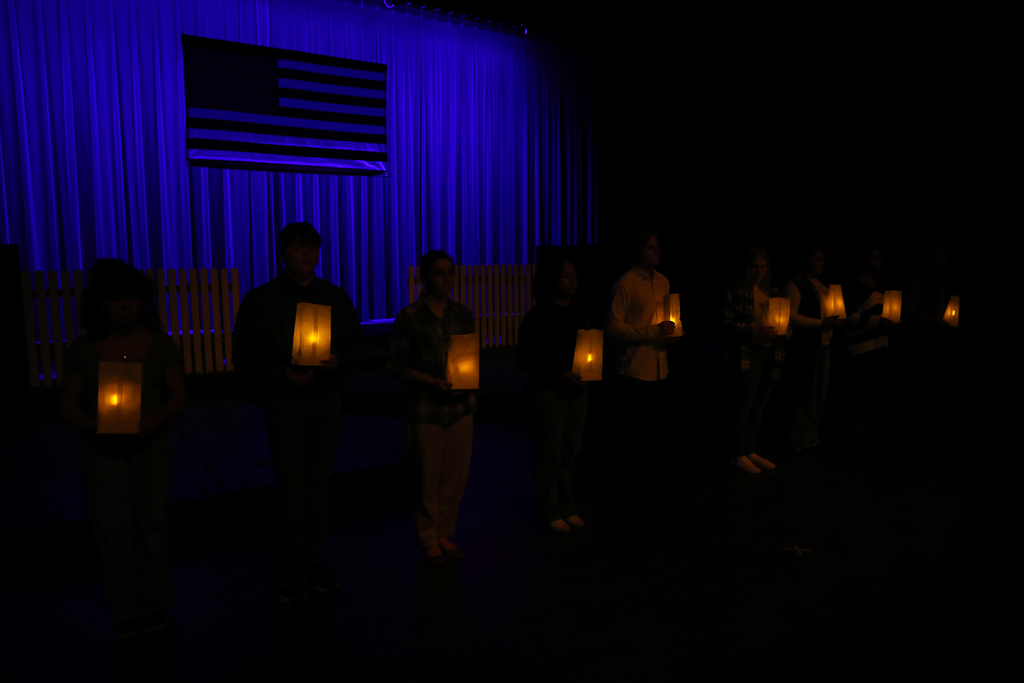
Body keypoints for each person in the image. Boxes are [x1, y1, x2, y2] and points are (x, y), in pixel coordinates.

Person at [232, 221, 362, 602]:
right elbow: (244, 355)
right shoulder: (262, 299)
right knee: (292, 489)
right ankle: (290, 567)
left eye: (311, 248)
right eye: (297, 248)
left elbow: (355, 346)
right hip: (285, 404)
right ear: (283, 253)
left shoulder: (335, 297)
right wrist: (284, 374)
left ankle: (314, 561)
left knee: (318, 488)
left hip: (326, 403)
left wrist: (337, 360)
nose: (305, 255)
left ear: (318, 253)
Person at [59, 258, 187, 638]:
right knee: (113, 528)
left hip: (151, 445)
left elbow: (179, 394)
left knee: (152, 524)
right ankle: (127, 608)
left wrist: (156, 419)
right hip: (103, 450)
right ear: (101, 304)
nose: (126, 306)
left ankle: (154, 604)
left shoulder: (161, 345)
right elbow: (67, 400)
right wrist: (89, 424)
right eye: (117, 299)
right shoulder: (84, 349)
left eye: (132, 298)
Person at [388, 250, 476, 565]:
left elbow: (468, 356)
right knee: (427, 475)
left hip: (460, 408)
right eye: (439, 273)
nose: (447, 278)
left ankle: (443, 531)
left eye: (450, 272)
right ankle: (428, 535)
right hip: (426, 408)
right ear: (425, 277)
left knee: (453, 476)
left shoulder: (462, 313)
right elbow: (395, 365)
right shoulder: (410, 316)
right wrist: (429, 381)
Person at [517, 259, 591, 533]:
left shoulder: (580, 312)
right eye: (565, 276)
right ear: (551, 281)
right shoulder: (538, 316)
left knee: (570, 449)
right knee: (550, 450)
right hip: (550, 391)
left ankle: (567, 505)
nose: (572, 281)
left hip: (578, 389)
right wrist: (559, 374)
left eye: (574, 275)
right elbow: (525, 358)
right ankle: (550, 509)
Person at [605, 232, 680, 489]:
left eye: (657, 247)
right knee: (626, 432)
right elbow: (613, 327)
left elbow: (667, 318)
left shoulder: (663, 281)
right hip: (633, 369)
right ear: (637, 251)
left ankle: (648, 473)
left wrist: (672, 333)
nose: (656, 251)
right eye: (650, 247)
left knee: (654, 429)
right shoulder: (626, 284)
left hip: (660, 366)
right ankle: (620, 481)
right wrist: (652, 331)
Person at [721, 248, 788, 474]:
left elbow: (785, 325)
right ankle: (737, 453)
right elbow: (725, 325)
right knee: (743, 406)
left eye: (762, 266)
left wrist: (785, 332)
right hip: (747, 356)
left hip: (771, 355)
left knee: (758, 408)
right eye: (753, 266)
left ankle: (750, 450)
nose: (758, 271)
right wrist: (754, 331)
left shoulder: (774, 293)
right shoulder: (736, 293)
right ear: (745, 268)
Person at [782, 246, 843, 453]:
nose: (822, 263)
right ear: (805, 260)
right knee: (805, 391)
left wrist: (835, 322)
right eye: (817, 259)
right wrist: (820, 323)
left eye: (822, 259)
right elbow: (790, 316)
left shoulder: (823, 286)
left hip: (824, 344)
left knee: (820, 392)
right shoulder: (795, 284)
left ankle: (810, 435)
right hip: (806, 346)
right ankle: (798, 438)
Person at [840, 246, 896, 439]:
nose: (879, 261)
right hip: (858, 345)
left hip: (877, 343)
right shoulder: (852, 286)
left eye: (880, 257)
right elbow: (845, 316)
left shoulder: (882, 284)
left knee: (868, 387)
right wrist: (876, 321)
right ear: (864, 261)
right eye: (875, 257)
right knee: (857, 387)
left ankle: (864, 424)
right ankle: (852, 426)